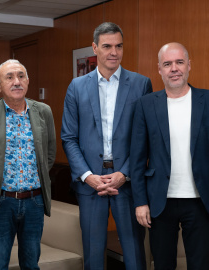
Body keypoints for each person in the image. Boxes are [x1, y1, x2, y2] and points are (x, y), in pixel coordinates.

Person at [61, 22, 153, 270]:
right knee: (93, 254)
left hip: (127, 182)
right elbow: (68, 137)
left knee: (134, 252)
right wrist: (88, 176)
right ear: (95, 48)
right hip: (91, 185)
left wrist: (124, 173)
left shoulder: (141, 84)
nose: (114, 52)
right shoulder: (76, 87)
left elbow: (144, 138)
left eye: (119, 46)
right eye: (107, 46)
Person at [130, 42, 209, 270]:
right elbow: (137, 159)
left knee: (201, 264)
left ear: (188, 65)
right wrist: (140, 202)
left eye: (179, 62)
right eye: (167, 64)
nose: (174, 68)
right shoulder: (145, 105)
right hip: (159, 202)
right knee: (162, 264)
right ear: (159, 69)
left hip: (200, 202)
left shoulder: (206, 100)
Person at [0, 59, 56, 269]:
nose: (16, 82)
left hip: (34, 201)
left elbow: (49, 155)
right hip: (1, 202)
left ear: (28, 81)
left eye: (21, 76)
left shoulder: (44, 111)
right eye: (9, 77)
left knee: (31, 264)